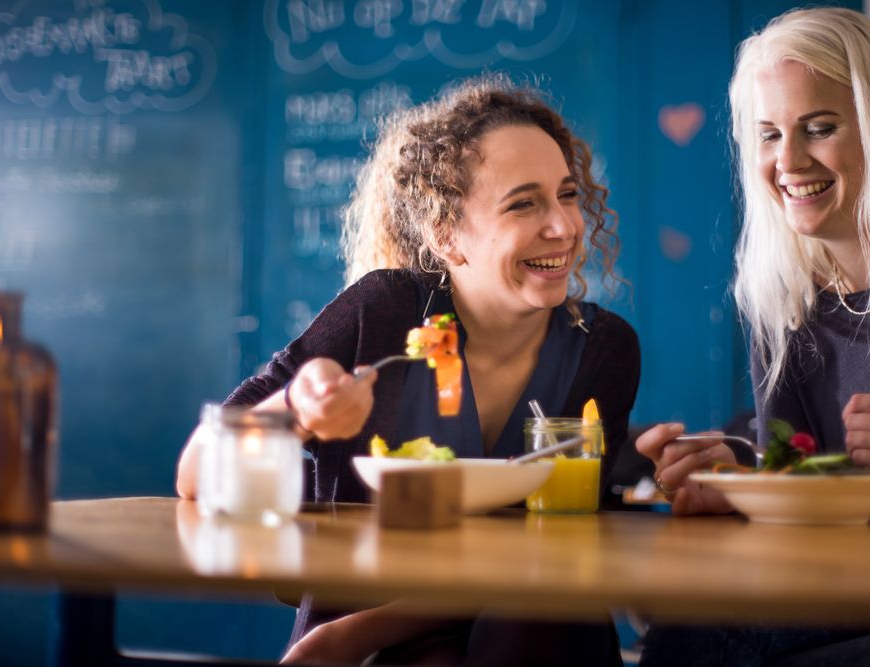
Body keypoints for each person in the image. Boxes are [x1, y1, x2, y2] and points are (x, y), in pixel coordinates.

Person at [176, 74, 640, 666]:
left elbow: (553, 553)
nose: (564, 226)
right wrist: (296, 410)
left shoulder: (603, 348)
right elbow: (196, 475)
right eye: (524, 203)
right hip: (377, 632)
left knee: (529, 615)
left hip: (519, 633)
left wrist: (358, 633)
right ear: (446, 236)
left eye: (567, 195)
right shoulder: (383, 313)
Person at [635, 7, 870, 664]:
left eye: (819, 128)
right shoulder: (786, 293)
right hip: (856, 581)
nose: (787, 161)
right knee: (687, 627)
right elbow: (806, 470)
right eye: (768, 135)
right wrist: (741, 472)